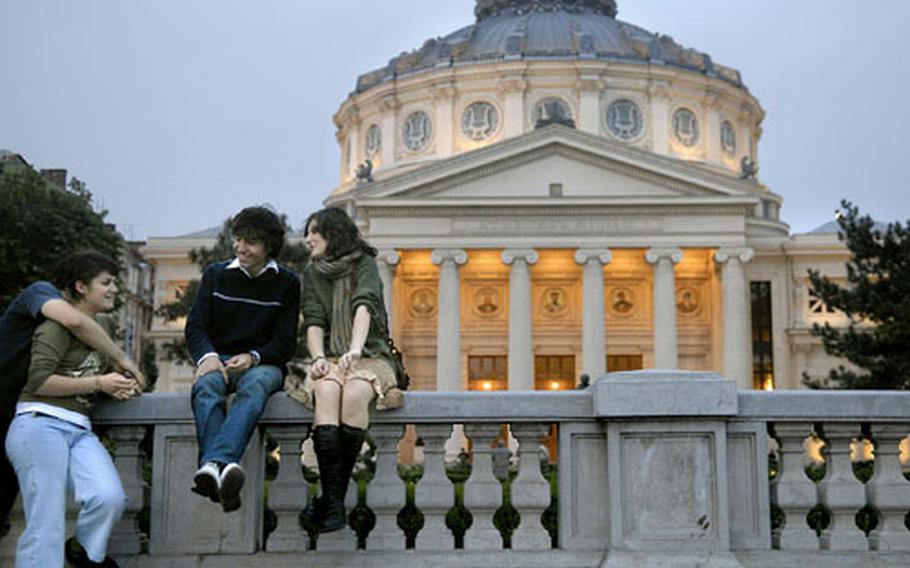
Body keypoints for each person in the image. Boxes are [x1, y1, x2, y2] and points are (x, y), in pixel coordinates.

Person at [5, 251, 140, 568]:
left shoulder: (100, 327)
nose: (114, 290)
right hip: (39, 424)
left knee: (109, 497)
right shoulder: (53, 325)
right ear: (81, 287)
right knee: (46, 522)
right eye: (106, 283)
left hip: (79, 429)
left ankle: (82, 552)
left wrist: (123, 384)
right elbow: (39, 382)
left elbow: (101, 373)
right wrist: (100, 383)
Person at [187, 206, 300, 513]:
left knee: (256, 386)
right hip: (219, 359)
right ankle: (222, 471)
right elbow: (196, 326)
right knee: (207, 387)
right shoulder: (216, 275)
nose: (240, 247)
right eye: (237, 239)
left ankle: (213, 464)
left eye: (250, 242)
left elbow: (285, 342)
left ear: (268, 247)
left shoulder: (287, 283)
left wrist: (253, 357)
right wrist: (207, 358)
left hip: (263, 364)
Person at [297, 207, 403, 533]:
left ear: (335, 233)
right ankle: (334, 504)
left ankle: (329, 503)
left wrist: (355, 350)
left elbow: (364, 305)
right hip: (330, 355)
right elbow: (314, 321)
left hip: (369, 355)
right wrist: (317, 358)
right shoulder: (313, 272)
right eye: (308, 232)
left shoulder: (364, 263)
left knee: (355, 394)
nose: (308, 238)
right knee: (327, 390)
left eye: (315, 231)